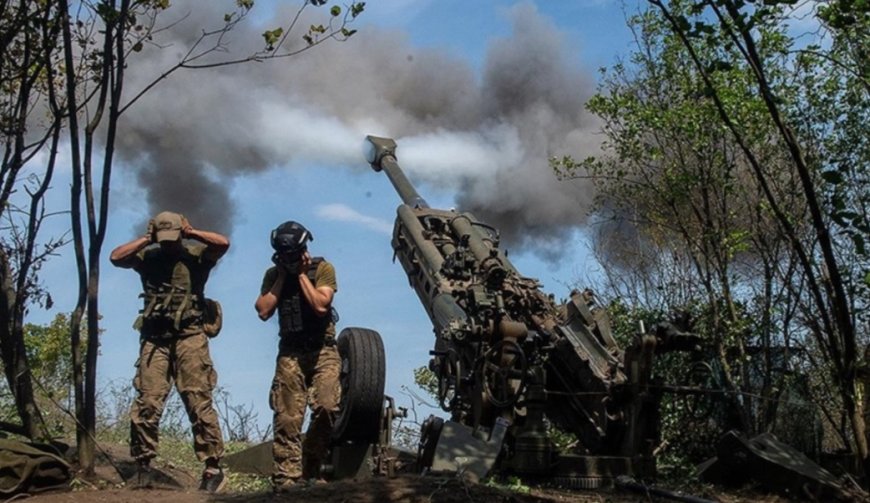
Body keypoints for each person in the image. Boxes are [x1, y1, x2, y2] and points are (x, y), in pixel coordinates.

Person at [110, 211, 228, 493]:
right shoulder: (148, 258)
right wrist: (146, 239)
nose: (168, 244)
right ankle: (143, 466)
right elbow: (116, 258)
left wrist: (192, 232)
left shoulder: (196, 256)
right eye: (163, 239)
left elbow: (222, 244)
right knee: (147, 402)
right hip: (155, 339)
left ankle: (213, 468)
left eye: (172, 238)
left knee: (198, 402)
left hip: (190, 336)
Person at [255, 221, 340, 491]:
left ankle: (311, 466)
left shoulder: (322, 269)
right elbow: (263, 310)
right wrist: (282, 276)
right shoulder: (273, 275)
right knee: (288, 417)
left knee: (327, 406)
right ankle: (286, 478)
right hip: (290, 352)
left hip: (323, 350)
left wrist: (302, 275)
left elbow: (319, 305)